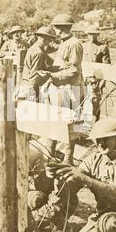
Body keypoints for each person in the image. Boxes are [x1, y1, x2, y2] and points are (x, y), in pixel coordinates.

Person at [45, 14, 84, 165]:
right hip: (61, 89)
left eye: (56, 27)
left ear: (62, 28)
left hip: (69, 89)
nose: (55, 30)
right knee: (55, 122)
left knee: (69, 125)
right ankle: (50, 155)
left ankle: (68, 159)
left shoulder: (74, 44)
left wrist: (54, 75)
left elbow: (74, 70)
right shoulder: (64, 43)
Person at [17, 26, 56, 101]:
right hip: (31, 86)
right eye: (49, 39)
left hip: (27, 82)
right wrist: (33, 92)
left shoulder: (34, 48)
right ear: (43, 38)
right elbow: (34, 74)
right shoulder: (39, 52)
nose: (50, 41)